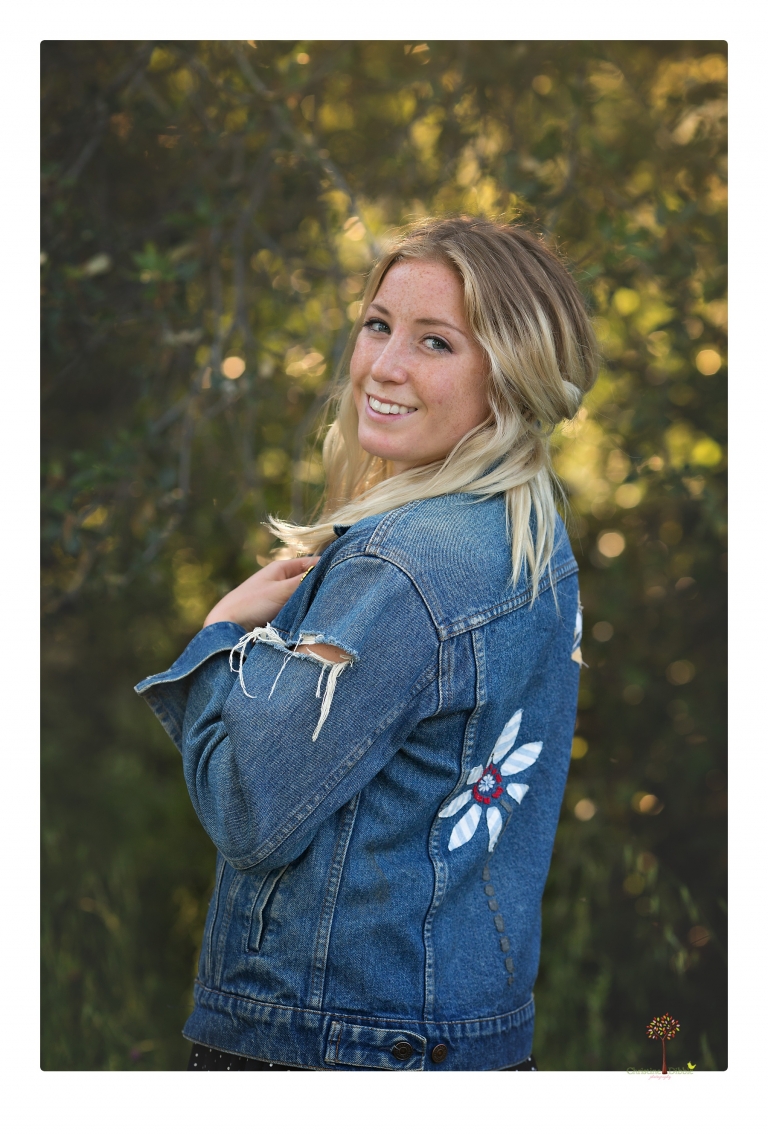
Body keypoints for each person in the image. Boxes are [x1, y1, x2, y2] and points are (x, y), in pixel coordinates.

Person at [135, 216, 599, 1071]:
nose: (384, 366)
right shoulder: (530, 538)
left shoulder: (400, 564)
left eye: (435, 342)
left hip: (334, 1050)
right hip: (464, 1042)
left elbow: (249, 811)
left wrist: (218, 635)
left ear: (510, 371)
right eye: (379, 325)